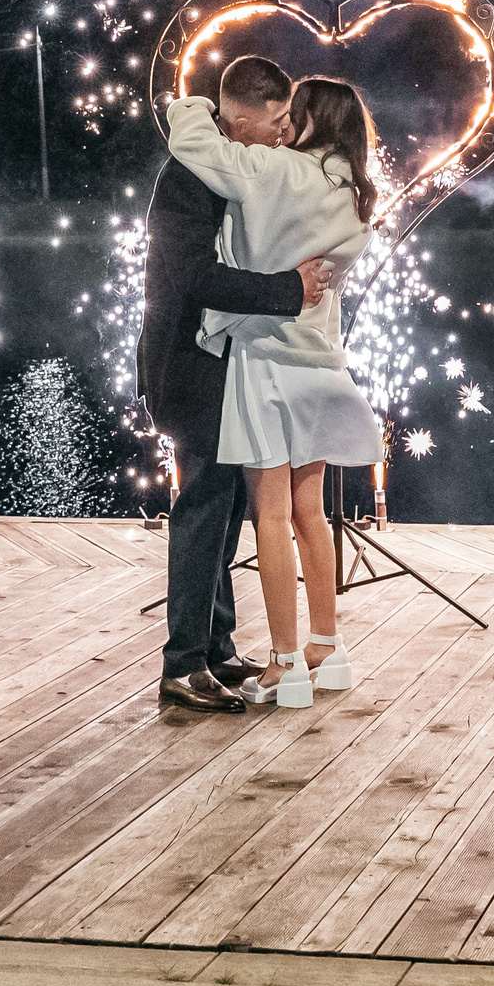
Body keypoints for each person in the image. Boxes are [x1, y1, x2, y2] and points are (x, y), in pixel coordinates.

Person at [163, 73, 387, 707]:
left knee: (268, 515)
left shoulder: (270, 170)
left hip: (263, 361)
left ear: (311, 121)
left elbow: (199, 147)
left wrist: (193, 105)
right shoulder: (354, 194)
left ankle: (285, 664)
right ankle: (327, 647)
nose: (285, 124)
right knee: (312, 513)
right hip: (323, 363)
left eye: (295, 114)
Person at [138, 55, 334, 715]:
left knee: (223, 511)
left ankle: (216, 648)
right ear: (241, 117)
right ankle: (182, 665)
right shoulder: (189, 178)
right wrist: (289, 290)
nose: (284, 131)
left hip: (221, 363)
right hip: (189, 368)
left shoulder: (232, 167)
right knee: (202, 510)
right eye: (275, 120)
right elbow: (193, 276)